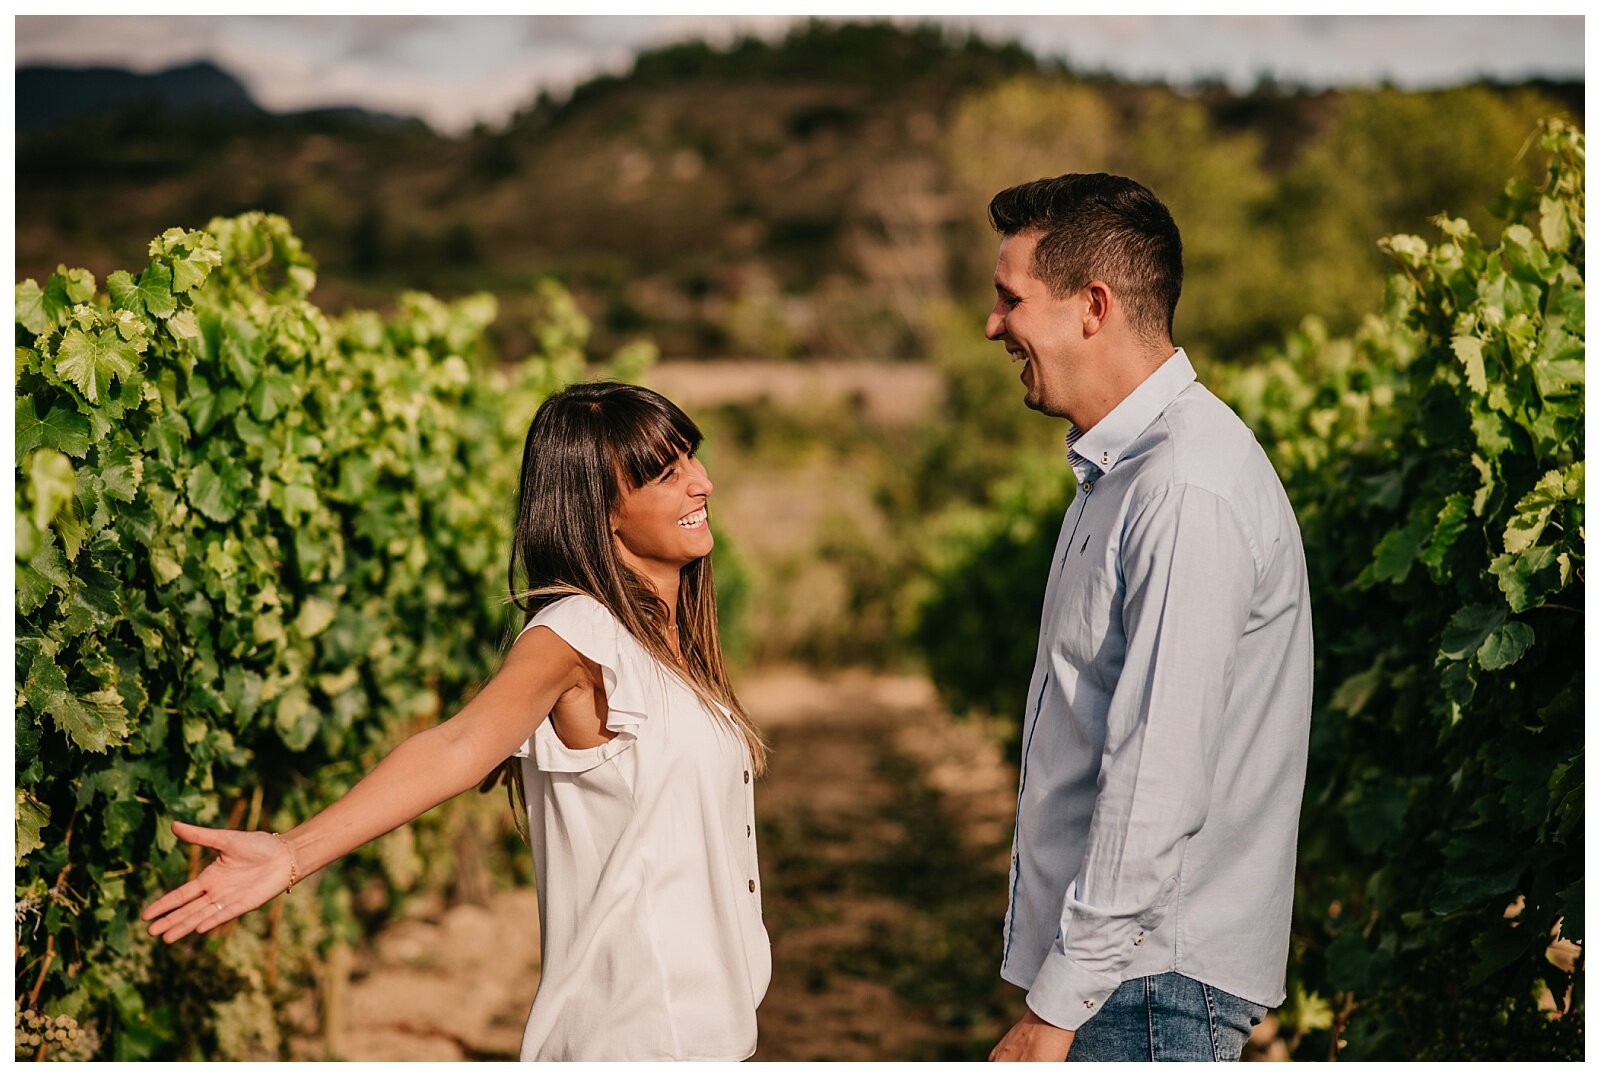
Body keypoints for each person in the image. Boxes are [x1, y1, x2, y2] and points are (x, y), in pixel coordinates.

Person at [141, 381, 772, 1062]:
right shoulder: (579, 631)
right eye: (667, 472)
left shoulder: (670, 649)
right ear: (604, 512)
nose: (702, 482)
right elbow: (460, 743)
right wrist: (293, 852)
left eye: (692, 459)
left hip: (702, 1031)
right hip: (643, 1035)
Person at [980, 174, 1313, 1063]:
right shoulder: (1127, 473)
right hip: (1130, 977)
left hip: (1150, 983)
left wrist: (1059, 1007)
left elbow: (1156, 781)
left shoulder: (1181, 489)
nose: (993, 324)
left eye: (1011, 298)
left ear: (1093, 307)